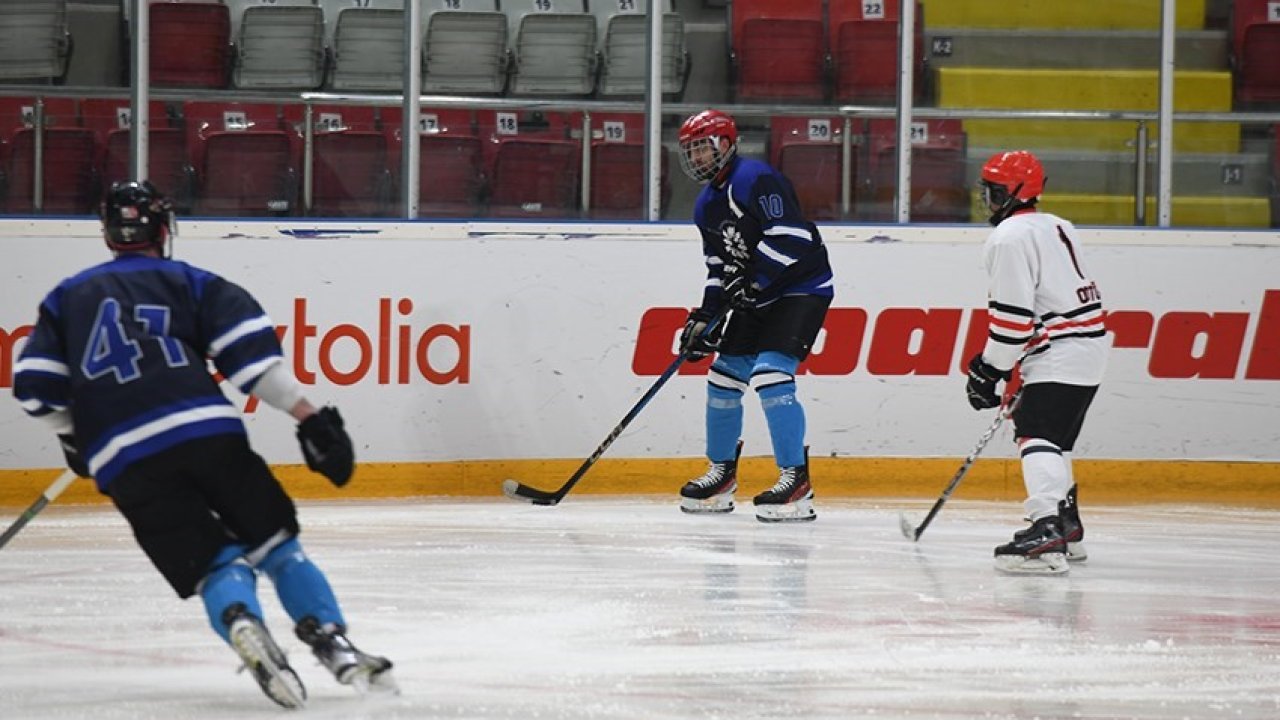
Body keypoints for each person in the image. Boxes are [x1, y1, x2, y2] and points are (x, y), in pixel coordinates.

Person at [11, 181, 396, 708]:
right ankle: (333, 642)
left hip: (125, 462)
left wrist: (75, 435)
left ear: (108, 234)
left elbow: (34, 388)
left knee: (217, 565)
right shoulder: (190, 282)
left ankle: (240, 619)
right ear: (163, 229)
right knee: (278, 549)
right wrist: (310, 420)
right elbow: (254, 365)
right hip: (205, 433)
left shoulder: (65, 299)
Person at [673, 110, 835, 523]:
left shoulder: (756, 179)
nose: (696, 158)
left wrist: (755, 279)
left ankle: (796, 481)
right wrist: (704, 320)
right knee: (723, 377)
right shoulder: (706, 205)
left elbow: (792, 236)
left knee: (769, 374)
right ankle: (722, 475)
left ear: (726, 145)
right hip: (759, 296)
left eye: (702, 148)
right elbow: (718, 268)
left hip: (801, 289)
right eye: (690, 150)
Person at [966, 151, 1110, 575]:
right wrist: (999, 365)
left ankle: (1046, 528)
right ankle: (1067, 526)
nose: (988, 200)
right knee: (1056, 441)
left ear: (1012, 192)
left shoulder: (1009, 237)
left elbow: (1012, 318)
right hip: (1088, 348)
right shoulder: (1058, 225)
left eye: (993, 191)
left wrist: (989, 369)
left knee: (1036, 436)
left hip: (1060, 351)